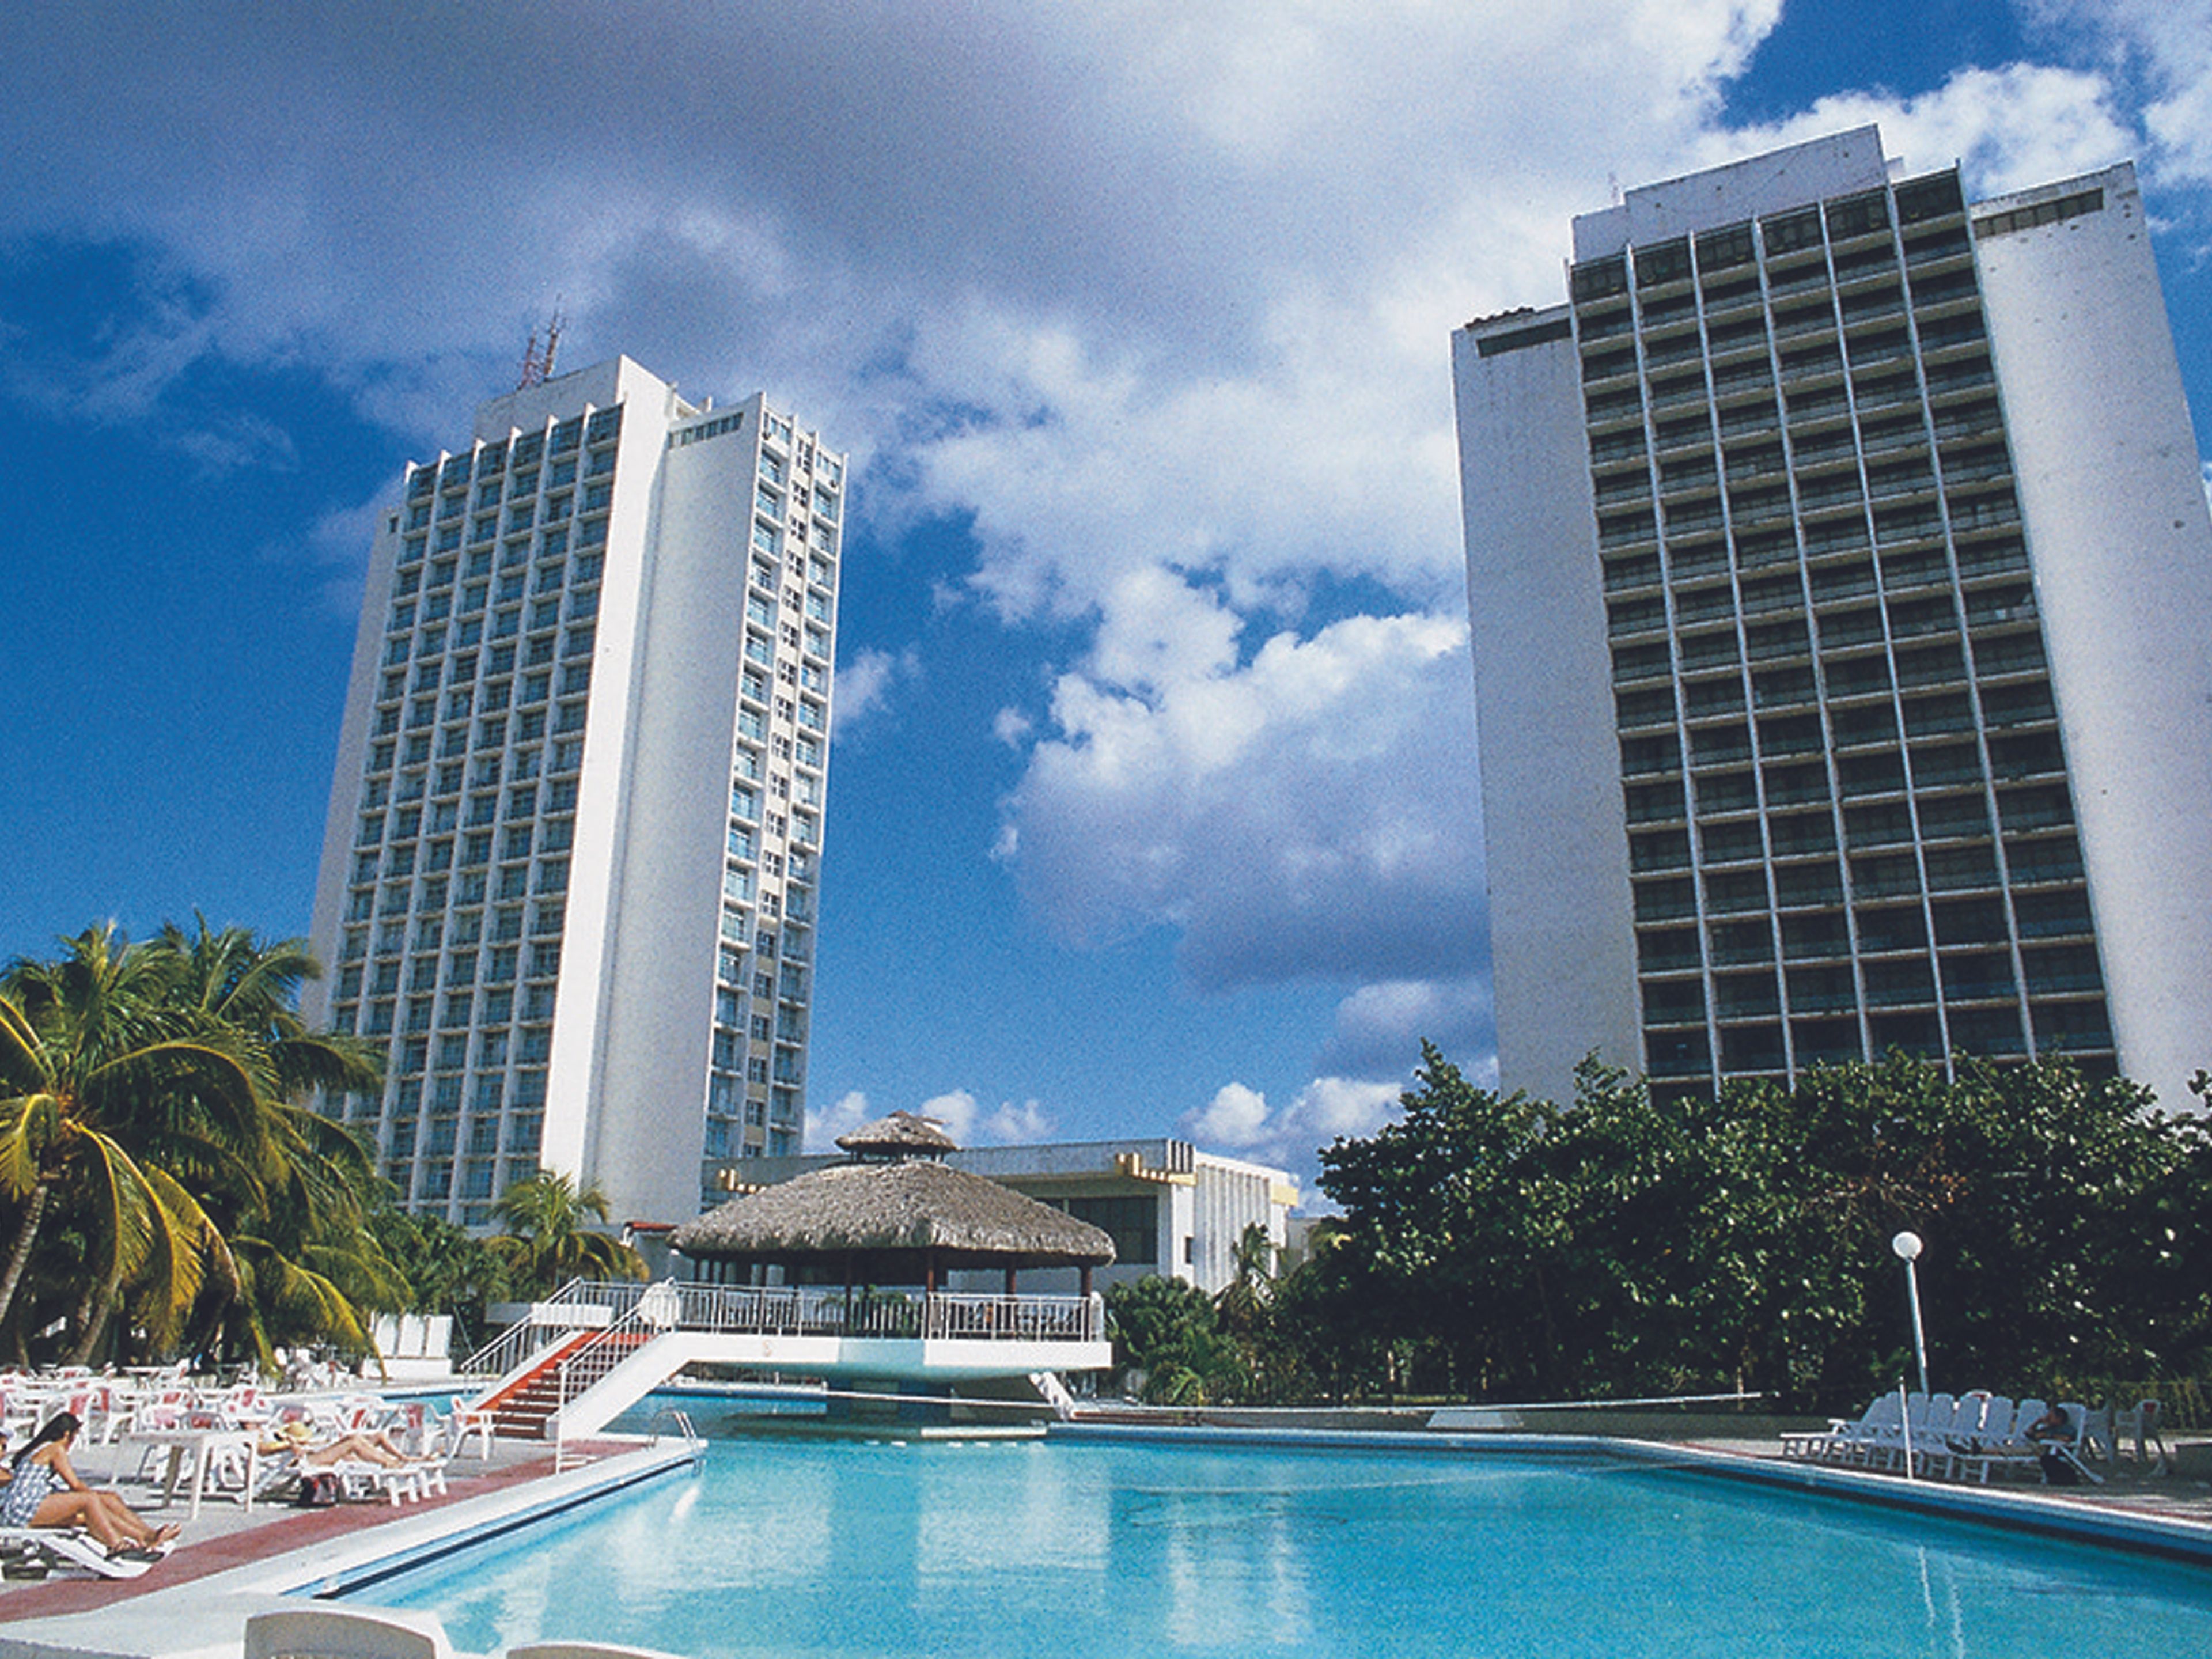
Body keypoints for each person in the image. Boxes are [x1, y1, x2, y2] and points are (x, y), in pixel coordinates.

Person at [0, 1412, 179, 1560]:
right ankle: (117, 1546)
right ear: (66, 1434)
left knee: (109, 1499)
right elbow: (75, 1485)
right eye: (74, 1436)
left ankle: (147, 1535)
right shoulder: (55, 1449)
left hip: (30, 1504)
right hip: (21, 1510)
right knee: (89, 1500)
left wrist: (103, 1499)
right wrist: (97, 1499)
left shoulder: (43, 1448)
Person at [259, 1419, 417, 1471]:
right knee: (354, 1443)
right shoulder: (258, 1443)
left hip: (312, 1453)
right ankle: (391, 1463)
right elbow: (265, 1450)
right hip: (306, 1461)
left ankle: (400, 1459)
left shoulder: (270, 1435)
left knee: (356, 1437)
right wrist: (290, 1443)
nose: (259, 1426)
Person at [2025, 1403, 2082, 1486]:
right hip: (2046, 1451)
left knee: (2047, 1459)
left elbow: (2067, 1439)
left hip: (2060, 1451)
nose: (2047, 1419)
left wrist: (2049, 1436)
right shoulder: (2049, 1428)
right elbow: (2030, 1434)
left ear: (2059, 1418)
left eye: (2050, 1417)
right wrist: (2037, 1423)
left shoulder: (2066, 1428)